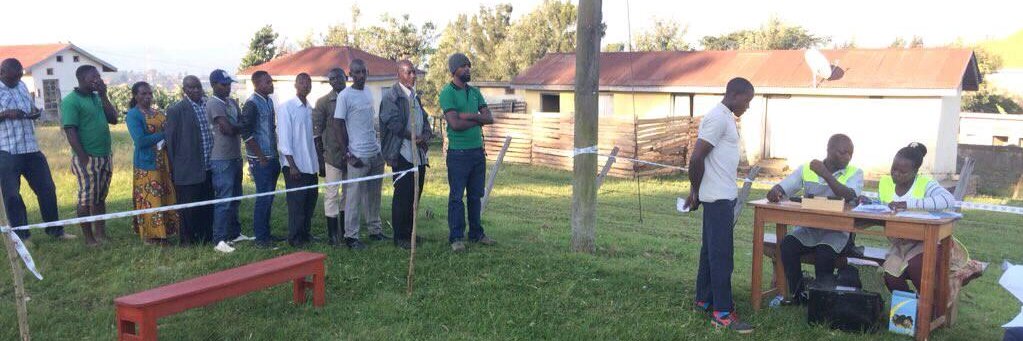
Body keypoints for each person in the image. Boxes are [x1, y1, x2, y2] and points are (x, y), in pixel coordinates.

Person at [684, 77, 755, 333]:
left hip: (720, 195)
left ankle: (703, 300)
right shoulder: (717, 118)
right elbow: (696, 158)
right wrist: (695, 191)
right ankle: (722, 312)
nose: (748, 106)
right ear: (735, 95)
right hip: (717, 199)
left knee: (710, 251)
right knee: (722, 255)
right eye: (747, 100)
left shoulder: (726, 118)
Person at [766, 134, 862, 302]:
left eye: (850, 154)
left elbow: (849, 196)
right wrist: (776, 191)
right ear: (829, 150)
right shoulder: (807, 169)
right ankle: (798, 294)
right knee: (788, 245)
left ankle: (821, 299)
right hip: (809, 229)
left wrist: (826, 175)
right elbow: (785, 186)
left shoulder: (855, 173)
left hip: (837, 231)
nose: (847, 157)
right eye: (842, 152)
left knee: (824, 253)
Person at [0, 58, 73, 241]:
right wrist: (6, 114)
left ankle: (55, 231)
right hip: (7, 150)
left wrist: (34, 112)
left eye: (19, 76)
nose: (17, 80)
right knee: (12, 196)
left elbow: (29, 106)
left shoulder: (22, 86)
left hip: (31, 148)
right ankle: (22, 237)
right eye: (13, 78)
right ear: (2, 72)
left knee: (47, 188)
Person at [877, 143, 957, 297]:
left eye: (903, 171)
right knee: (890, 275)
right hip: (900, 243)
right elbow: (884, 208)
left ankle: (930, 306)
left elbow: (949, 200)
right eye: (894, 168)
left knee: (917, 267)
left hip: (927, 241)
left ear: (915, 171)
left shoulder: (925, 184)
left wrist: (908, 204)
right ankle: (908, 309)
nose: (896, 174)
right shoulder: (885, 183)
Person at [440, 52, 495, 253]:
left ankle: (476, 233)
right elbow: (454, 124)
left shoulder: (474, 92)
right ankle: (456, 237)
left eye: (469, 66)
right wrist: (476, 118)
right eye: (464, 66)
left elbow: (489, 118)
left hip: (477, 152)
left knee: (475, 196)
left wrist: (467, 116)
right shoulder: (447, 92)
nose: (468, 69)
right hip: (458, 153)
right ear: (454, 70)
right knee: (456, 197)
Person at [334, 59, 388, 250]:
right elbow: (338, 126)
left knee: (373, 196)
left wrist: (380, 148)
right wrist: (347, 154)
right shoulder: (344, 96)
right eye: (356, 72)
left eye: (363, 72)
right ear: (350, 74)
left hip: (375, 153)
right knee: (353, 198)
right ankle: (351, 236)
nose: (361, 76)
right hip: (357, 156)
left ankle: (375, 230)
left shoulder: (368, 92)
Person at [380, 60, 433, 250]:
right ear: (399, 74)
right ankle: (400, 236)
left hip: (417, 154)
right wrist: (413, 137)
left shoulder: (414, 96)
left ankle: (410, 233)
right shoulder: (391, 96)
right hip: (401, 152)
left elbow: (425, 119)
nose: (413, 76)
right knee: (403, 196)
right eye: (409, 72)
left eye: (414, 73)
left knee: (414, 195)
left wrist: (425, 135)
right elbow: (392, 123)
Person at [62, 64, 117, 246]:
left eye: (98, 77)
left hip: (104, 155)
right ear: (82, 79)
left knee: (100, 197)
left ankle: (100, 233)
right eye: (94, 77)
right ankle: (89, 238)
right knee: (86, 199)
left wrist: (103, 95)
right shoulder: (71, 101)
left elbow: (114, 119)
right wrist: (84, 159)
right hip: (87, 158)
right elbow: (71, 132)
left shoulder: (97, 97)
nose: (98, 80)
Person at [125, 82, 179, 245]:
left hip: (163, 161)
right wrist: (164, 133)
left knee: (164, 195)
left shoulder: (157, 112)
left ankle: (166, 231)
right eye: (143, 94)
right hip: (146, 164)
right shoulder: (133, 115)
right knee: (150, 198)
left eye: (149, 93)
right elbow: (140, 141)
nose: (147, 97)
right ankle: (152, 236)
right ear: (135, 96)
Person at [165, 75, 215, 246]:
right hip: (187, 168)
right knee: (188, 207)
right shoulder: (176, 110)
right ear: (184, 90)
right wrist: (175, 169)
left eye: (198, 87)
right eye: (191, 88)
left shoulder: (207, 105)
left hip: (209, 165)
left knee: (207, 204)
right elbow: (170, 143)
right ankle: (188, 241)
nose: (195, 90)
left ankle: (206, 236)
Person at [206, 69, 250, 253]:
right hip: (221, 158)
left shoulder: (231, 102)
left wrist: (237, 126)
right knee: (224, 199)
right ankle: (219, 239)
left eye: (229, 84)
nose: (228, 87)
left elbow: (239, 125)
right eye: (224, 84)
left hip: (235, 155)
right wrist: (238, 126)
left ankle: (234, 233)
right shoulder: (214, 103)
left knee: (235, 197)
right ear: (214, 85)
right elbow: (227, 128)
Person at [239, 71, 282, 248]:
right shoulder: (251, 104)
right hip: (261, 160)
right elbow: (246, 133)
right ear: (256, 84)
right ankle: (260, 238)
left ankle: (266, 233)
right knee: (263, 198)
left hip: (272, 156)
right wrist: (261, 156)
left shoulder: (269, 101)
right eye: (267, 82)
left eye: (271, 81)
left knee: (269, 197)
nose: (271, 84)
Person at [278, 73, 319, 248]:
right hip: (295, 166)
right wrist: (292, 165)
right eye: (302, 81)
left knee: (310, 201)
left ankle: (305, 233)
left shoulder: (310, 109)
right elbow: (284, 139)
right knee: (297, 204)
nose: (306, 85)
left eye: (309, 82)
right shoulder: (287, 108)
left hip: (310, 164)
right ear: (295, 84)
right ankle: (294, 238)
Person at [312, 68, 347, 247]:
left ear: (345, 78)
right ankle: (333, 235)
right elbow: (316, 134)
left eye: (339, 78)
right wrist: (321, 159)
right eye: (332, 79)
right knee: (331, 194)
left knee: (348, 194)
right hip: (332, 155)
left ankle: (345, 231)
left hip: (351, 155)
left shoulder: (352, 97)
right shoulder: (323, 102)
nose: (336, 81)